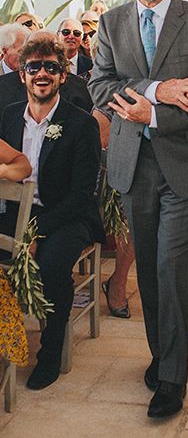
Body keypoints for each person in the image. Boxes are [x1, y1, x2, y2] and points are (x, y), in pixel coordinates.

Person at [89, 0, 188, 419]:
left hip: (185, 165)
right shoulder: (111, 23)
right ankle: (161, 355)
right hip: (133, 166)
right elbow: (99, 86)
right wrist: (158, 89)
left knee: (171, 266)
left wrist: (154, 113)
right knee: (147, 267)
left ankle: (172, 377)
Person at [0, 37, 103, 390]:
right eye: (34, 67)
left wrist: (34, 233)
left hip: (67, 216)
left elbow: (81, 194)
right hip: (16, 211)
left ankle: (50, 353)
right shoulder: (9, 115)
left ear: (62, 76)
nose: (42, 74)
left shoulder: (80, 123)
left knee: (52, 265)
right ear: (22, 75)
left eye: (51, 68)